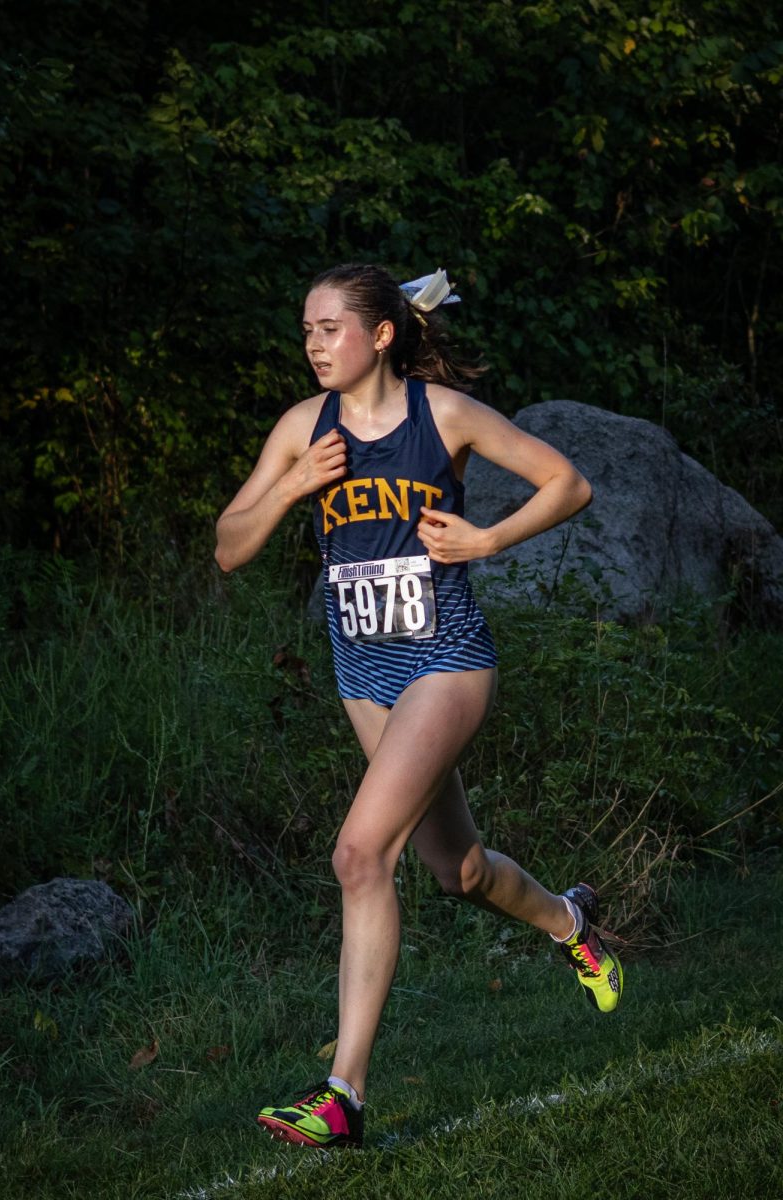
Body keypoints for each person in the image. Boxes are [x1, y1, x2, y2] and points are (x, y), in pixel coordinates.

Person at [214, 263, 623, 1151]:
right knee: (458, 871)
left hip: (447, 660)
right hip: (365, 672)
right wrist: (289, 488)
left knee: (361, 854)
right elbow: (227, 548)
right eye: (308, 330)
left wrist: (486, 538)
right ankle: (570, 920)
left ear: (383, 335)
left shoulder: (443, 415)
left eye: (330, 329)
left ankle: (343, 1096)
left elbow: (569, 484)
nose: (314, 345)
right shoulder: (301, 429)